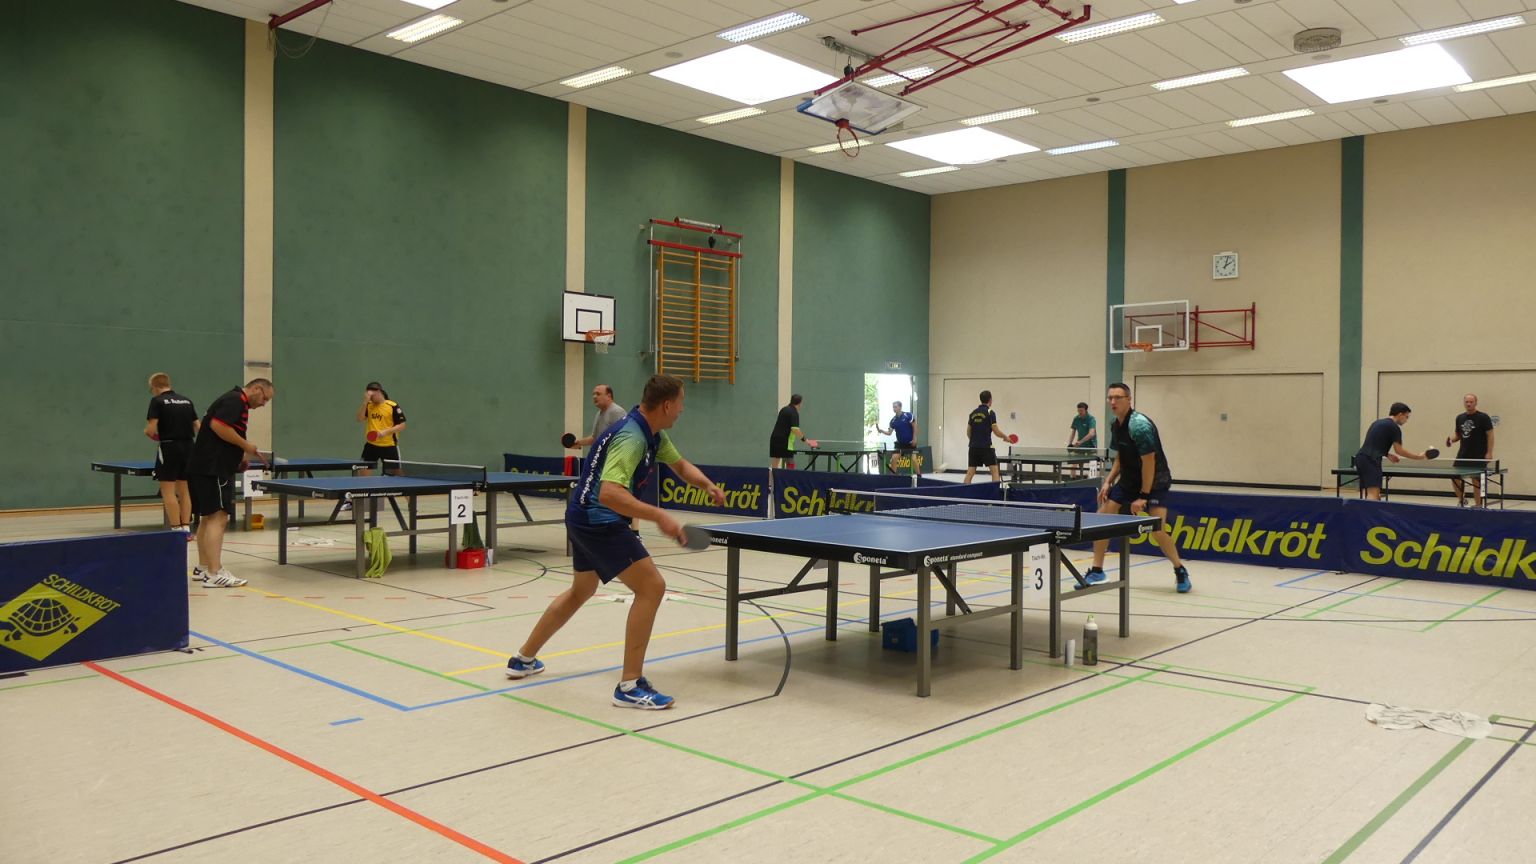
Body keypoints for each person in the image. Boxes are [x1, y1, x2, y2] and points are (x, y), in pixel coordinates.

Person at [505, 374, 726, 710]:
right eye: (681, 402)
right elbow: (610, 494)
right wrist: (659, 516)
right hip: (599, 520)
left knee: (581, 590)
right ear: (667, 405)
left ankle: (523, 659)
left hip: (580, 514)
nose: (682, 409)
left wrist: (707, 484)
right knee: (652, 587)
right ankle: (630, 685)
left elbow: (680, 465)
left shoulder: (651, 432)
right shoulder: (632, 437)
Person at [1085, 383, 1192, 593]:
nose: (1113, 402)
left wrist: (1143, 496)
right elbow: (1121, 456)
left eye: (1118, 397)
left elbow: (1149, 462)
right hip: (1129, 479)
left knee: (1157, 529)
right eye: (1110, 398)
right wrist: (1108, 480)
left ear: (1129, 399)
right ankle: (1097, 571)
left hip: (1155, 480)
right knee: (1102, 518)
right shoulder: (1115, 424)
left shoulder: (1139, 426)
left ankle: (1179, 569)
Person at [187, 379, 274, 588]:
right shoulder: (235, 401)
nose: (263, 404)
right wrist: (246, 446)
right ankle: (215, 573)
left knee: (208, 517)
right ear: (256, 389)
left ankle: (203, 567)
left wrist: (239, 457)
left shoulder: (234, 401)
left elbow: (224, 431)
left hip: (206, 466)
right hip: (213, 468)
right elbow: (218, 426)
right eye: (265, 398)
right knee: (219, 517)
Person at [144, 373, 200, 537]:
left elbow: (150, 429)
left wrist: (152, 435)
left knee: (168, 490)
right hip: (189, 446)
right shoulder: (186, 401)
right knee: (184, 490)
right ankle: (186, 529)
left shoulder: (157, 401)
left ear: (154, 387)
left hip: (169, 447)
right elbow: (198, 426)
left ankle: (175, 529)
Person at [1354, 402, 1431, 501]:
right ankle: (1371, 511)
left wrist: (1387, 454)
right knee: (1373, 495)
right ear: (1400, 414)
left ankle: (1369, 510)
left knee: (1371, 493)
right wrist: (1418, 457)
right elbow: (1399, 450)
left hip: (1360, 458)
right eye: (1406, 417)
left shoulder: (1377, 423)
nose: (1406, 420)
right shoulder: (1394, 427)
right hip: (1371, 460)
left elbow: (1373, 443)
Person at [1447, 393, 1495, 507]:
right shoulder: (1459, 418)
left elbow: (1490, 435)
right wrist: (1451, 440)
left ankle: (1478, 505)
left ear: (1476, 403)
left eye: (1471, 402)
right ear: (1464, 403)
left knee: (1476, 480)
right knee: (1454, 477)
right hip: (1463, 454)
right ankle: (1462, 499)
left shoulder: (1483, 417)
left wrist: (1489, 452)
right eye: (1467, 402)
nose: (1469, 404)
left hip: (1479, 455)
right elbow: (1458, 435)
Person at [357, 382, 406, 476]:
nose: (370, 398)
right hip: (371, 446)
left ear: (379, 392)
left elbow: (402, 425)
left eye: (372, 396)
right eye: (368, 396)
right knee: (362, 474)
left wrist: (385, 432)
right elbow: (359, 419)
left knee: (397, 475)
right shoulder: (369, 405)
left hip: (389, 446)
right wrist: (365, 402)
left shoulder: (392, 406)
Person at [963, 390, 1010, 484]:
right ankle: (994, 491)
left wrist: (974, 441)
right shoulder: (990, 412)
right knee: (995, 472)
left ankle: (964, 491)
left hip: (973, 447)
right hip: (986, 447)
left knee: (970, 472)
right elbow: (996, 431)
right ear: (990, 400)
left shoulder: (973, 413)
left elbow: (968, 432)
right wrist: (1005, 437)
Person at [569, 384, 627, 449]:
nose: (594, 397)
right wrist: (578, 443)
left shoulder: (617, 412)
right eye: (594, 394)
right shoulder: (599, 414)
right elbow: (594, 438)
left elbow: (624, 438)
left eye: (598, 394)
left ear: (608, 396)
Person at [769, 394, 818, 469]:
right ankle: (789, 476)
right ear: (799, 403)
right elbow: (795, 429)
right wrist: (806, 440)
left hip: (774, 439)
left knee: (774, 466)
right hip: (785, 442)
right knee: (791, 464)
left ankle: (772, 477)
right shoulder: (794, 412)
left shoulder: (784, 409)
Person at [878, 400, 918, 474]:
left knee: (913, 459)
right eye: (893, 407)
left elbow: (915, 426)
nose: (894, 409)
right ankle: (893, 477)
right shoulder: (893, 421)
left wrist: (914, 438)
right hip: (900, 444)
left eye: (895, 407)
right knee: (894, 458)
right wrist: (881, 431)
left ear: (900, 407)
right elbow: (889, 433)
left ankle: (919, 475)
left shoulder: (908, 415)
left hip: (910, 443)